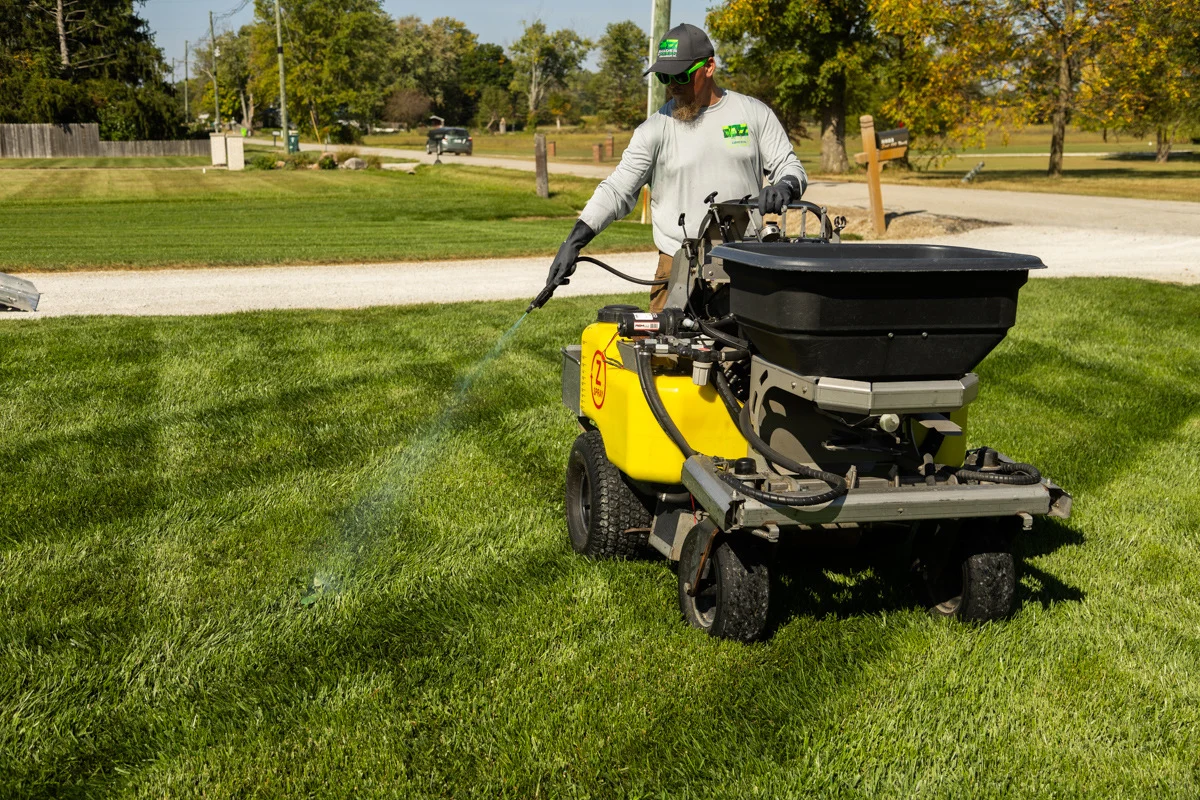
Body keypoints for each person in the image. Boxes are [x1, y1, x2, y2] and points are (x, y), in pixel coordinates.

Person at [530, 22, 808, 312]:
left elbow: (791, 167)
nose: (673, 85)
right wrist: (573, 243)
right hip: (675, 267)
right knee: (665, 356)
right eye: (664, 76)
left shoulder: (753, 113)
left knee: (745, 353)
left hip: (745, 264)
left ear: (709, 67)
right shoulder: (654, 130)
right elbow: (616, 190)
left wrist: (784, 186)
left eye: (681, 75)